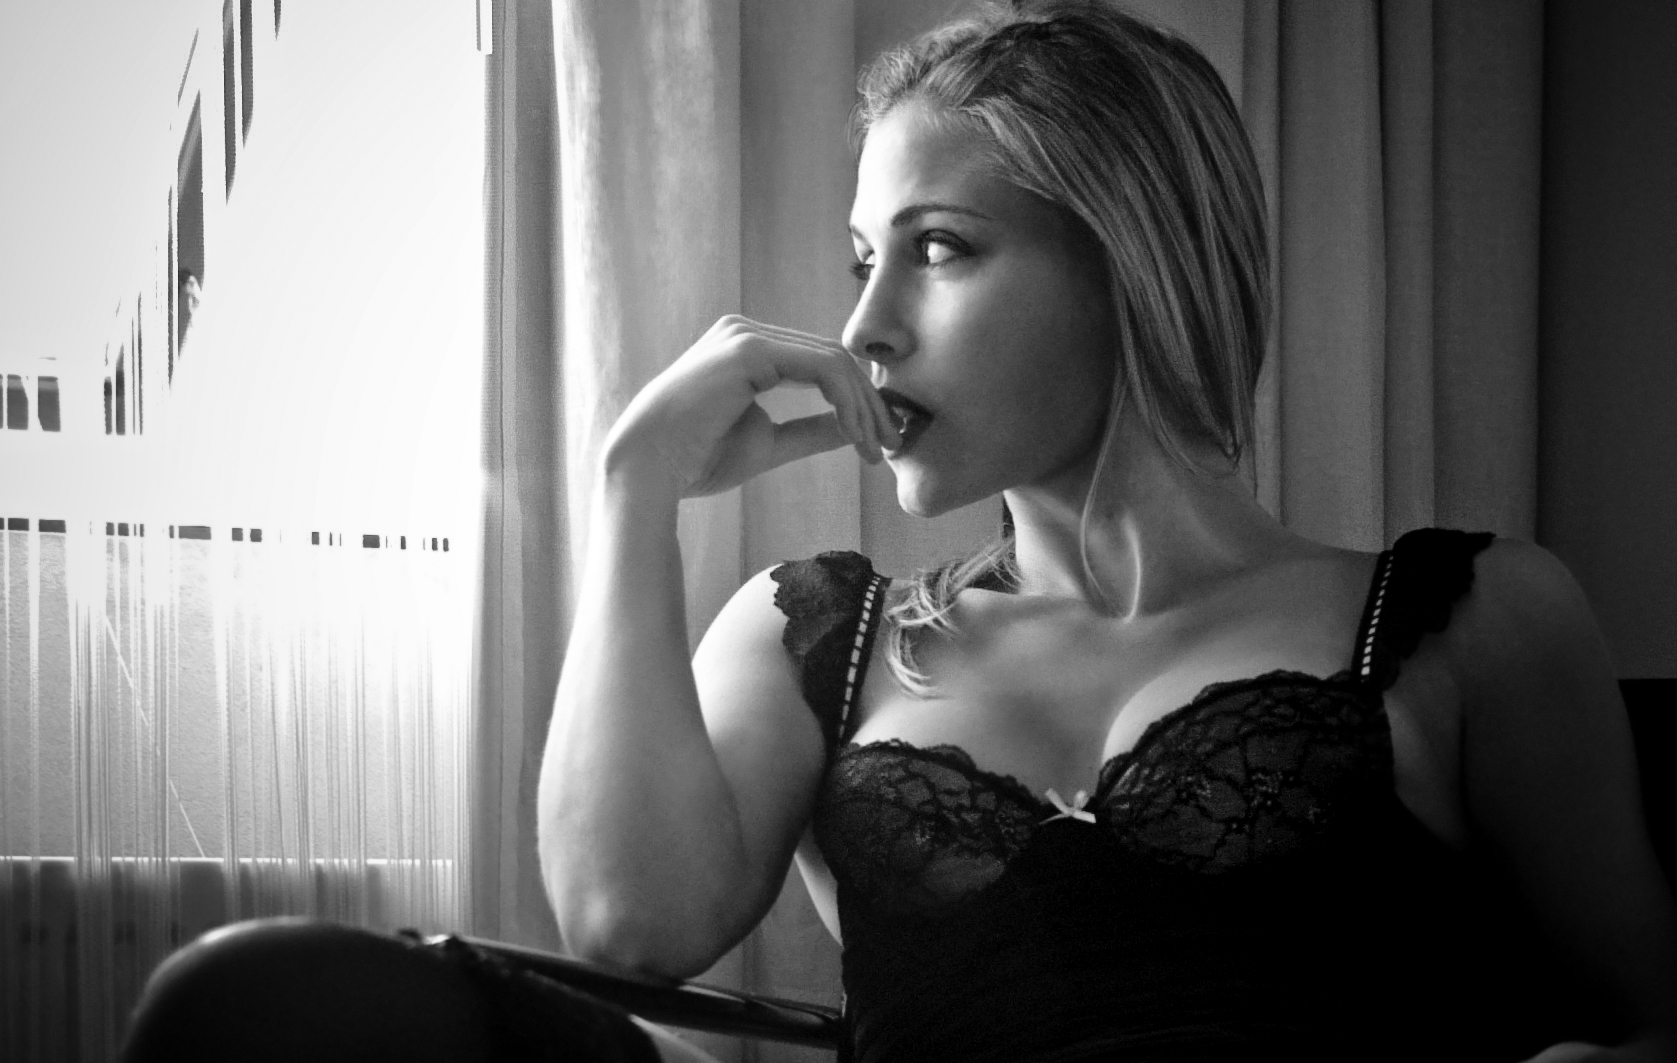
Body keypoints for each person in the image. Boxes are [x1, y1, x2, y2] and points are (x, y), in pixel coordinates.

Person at [122, 2, 1677, 1061]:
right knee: (256, 1003)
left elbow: (1643, 1018)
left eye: (934, 251)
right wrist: (629, 490)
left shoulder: (1468, 619)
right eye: (860, 258)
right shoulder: (818, 632)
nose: (861, 326)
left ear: (1128, 262)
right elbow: (629, 925)